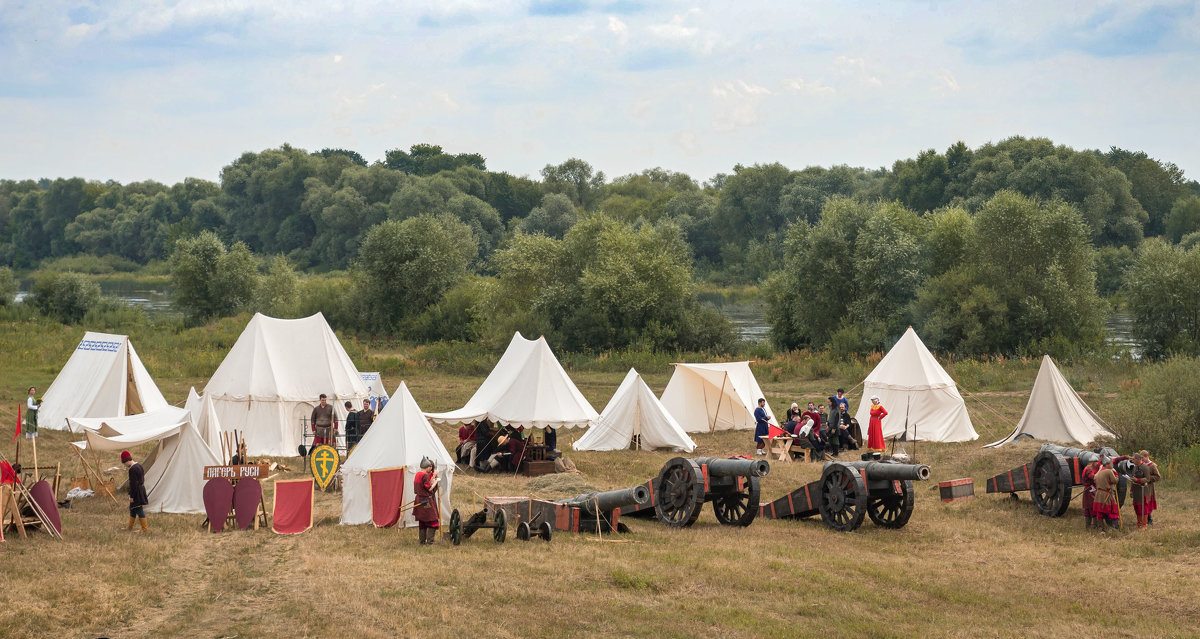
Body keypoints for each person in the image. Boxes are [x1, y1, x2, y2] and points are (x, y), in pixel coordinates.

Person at [413, 458, 440, 545]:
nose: (431, 468)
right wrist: (436, 481)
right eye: (430, 466)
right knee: (433, 520)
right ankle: (429, 542)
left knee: (423, 521)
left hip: (419, 499)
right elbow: (429, 488)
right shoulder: (424, 475)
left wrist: (432, 478)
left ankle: (422, 542)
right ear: (427, 467)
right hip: (426, 501)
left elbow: (425, 485)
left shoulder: (418, 474)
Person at [123, 450, 148, 533]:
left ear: (126, 461)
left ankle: (144, 529)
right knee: (132, 508)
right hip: (141, 489)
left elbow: (133, 484)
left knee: (138, 509)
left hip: (137, 492)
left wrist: (132, 496)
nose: (125, 465)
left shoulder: (132, 469)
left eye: (124, 463)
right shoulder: (139, 466)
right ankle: (129, 527)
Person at [1092, 458, 1121, 530]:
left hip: (1098, 494)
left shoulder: (1098, 473)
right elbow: (1114, 481)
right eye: (1111, 464)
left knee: (1100, 512)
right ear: (1107, 464)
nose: (1112, 465)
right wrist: (1116, 475)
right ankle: (1115, 528)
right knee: (1113, 510)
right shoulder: (1109, 471)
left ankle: (1101, 528)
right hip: (1106, 494)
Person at [1139, 449, 1161, 526]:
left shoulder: (1152, 465)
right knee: (1142, 503)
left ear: (1146, 457)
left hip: (1149, 487)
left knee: (1147, 503)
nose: (1141, 460)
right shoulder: (1141, 465)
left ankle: (1149, 520)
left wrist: (1148, 478)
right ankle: (1144, 519)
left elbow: (1158, 477)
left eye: (1142, 458)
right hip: (1141, 486)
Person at [1081, 456, 1101, 529]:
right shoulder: (1088, 470)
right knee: (1092, 507)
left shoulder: (1087, 468)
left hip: (1089, 490)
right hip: (1089, 491)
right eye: (1096, 462)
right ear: (1093, 462)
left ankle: (1089, 526)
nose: (1097, 464)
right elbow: (1094, 477)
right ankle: (1093, 526)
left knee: (1089, 508)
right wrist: (1100, 470)